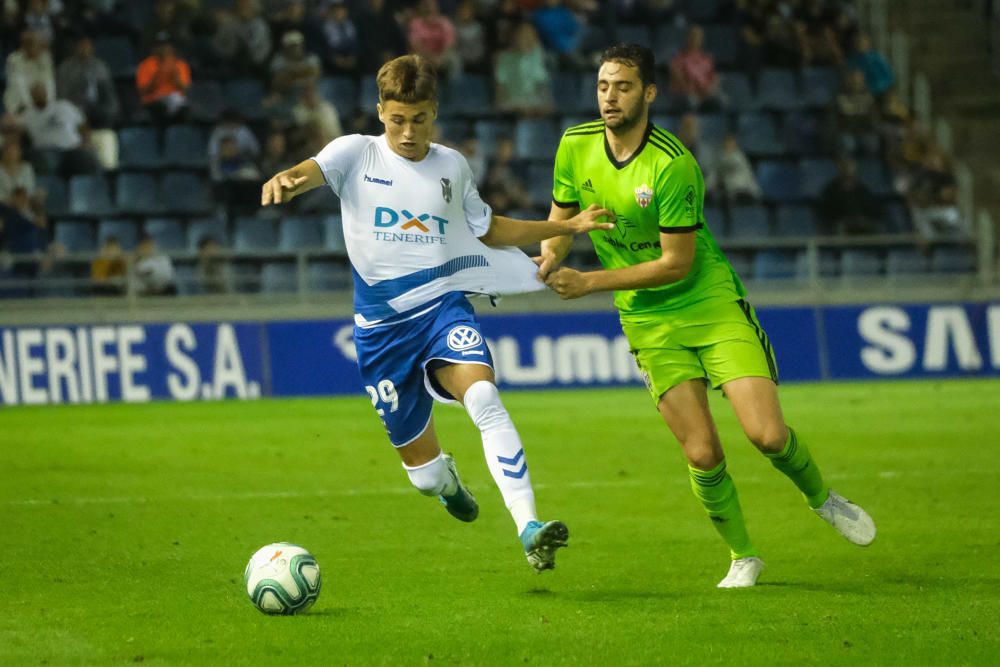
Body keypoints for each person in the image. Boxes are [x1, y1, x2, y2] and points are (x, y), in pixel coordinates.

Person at [537, 43, 876, 588]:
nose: (609, 97)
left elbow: (675, 264)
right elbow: (563, 218)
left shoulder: (673, 165)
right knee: (701, 450)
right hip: (647, 320)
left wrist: (589, 282)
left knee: (766, 435)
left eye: (622, 87)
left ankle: (821, 497)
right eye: (602, 86)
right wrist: (550, 255)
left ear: (648, 93)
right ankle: (744, 555)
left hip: (708, 303)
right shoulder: (574, 146)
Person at [260, 54, 614, 572]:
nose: (407, 132)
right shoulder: (355, 153)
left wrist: (566, 227)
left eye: (419, 119)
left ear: (435, 113)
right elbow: (309, 172)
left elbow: (489, 231)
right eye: (397, 119)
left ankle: (529, 527)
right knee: (423, 476)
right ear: (380, 111)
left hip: (442, 310)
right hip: (382, 334)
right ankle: (446, 481)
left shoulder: (451, 166)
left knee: (485, 395)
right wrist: (287, 180)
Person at [135, 32, 192, 124]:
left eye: (166, 45)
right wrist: (158, 75)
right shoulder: (146, 65)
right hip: (154, 101)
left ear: (172, 48)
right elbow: (143, 91)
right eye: (159, 46)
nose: (163, 49)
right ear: (153, 48)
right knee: (160, 108)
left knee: (185, 109)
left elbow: (185, 89)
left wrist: (175, 76)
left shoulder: (180, 64)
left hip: (175, 101)